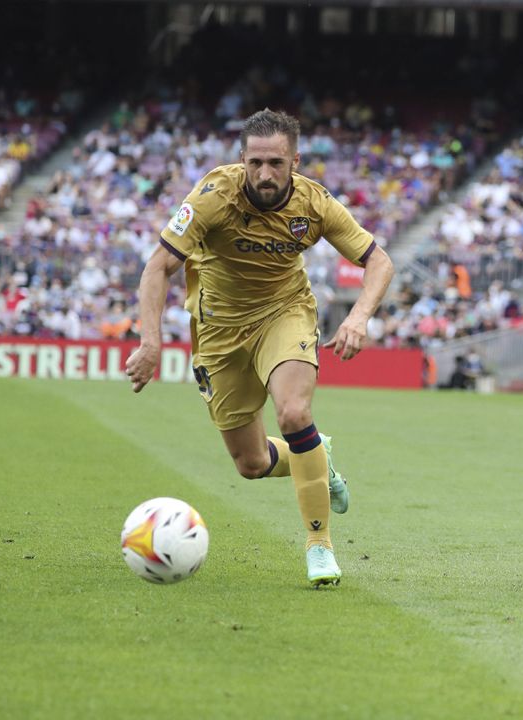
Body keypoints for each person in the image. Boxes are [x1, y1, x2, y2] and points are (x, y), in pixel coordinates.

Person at [125, 109, 395, 587]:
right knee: (251, 464)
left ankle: (319, 546)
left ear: (295, 160)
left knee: (294, 414)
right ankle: (317, 457)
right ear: (241, 160)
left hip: (283, 312)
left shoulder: (316, 204)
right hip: (218, 330)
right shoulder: (212, 197)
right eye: (255, 163)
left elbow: (378, 261)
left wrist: (358, 317)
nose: (264, 174)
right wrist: (150, 341)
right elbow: (157, 268)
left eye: (275, 163)